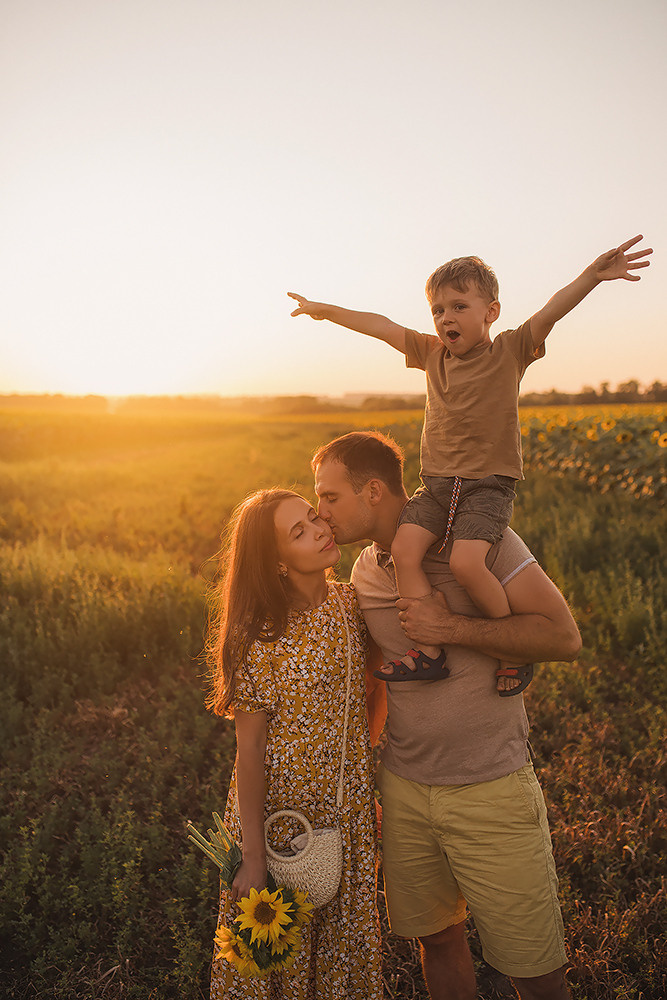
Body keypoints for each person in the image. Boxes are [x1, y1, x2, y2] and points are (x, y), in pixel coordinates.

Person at [291, 235, 651, 685]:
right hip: (438, 485)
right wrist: (327, 312)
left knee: (465, 563)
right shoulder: (430, 354)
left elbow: (551, 310)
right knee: (404, 549)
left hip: (487, 485)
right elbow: (381, 325)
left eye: (459, 306)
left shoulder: (510, 351)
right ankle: (429, 652)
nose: (446, 319)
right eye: (438, 310)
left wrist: (592, 277)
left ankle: (511, 653)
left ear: (491, 312)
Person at [312, 431, 583, 1000]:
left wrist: (452, 629)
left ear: (375, 491)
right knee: (436, 940)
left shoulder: (482, 545)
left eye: (331, 497)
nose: (322, 511)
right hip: (406, 790)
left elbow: (563, 637)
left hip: (492, 785)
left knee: (533, 967)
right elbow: (369, 677)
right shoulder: (363, 572)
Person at [206, 488, 382, 1000]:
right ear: (277, 563)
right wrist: (254, 854)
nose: (321, 530)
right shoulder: (258, 635)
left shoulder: (350, 604)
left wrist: (360, 776)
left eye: (313, 517)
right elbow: (251, 751)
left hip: (343, 810)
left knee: (342, 949)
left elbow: (369, 690)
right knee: (278, 953)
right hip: (280, 818)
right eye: (299, 533)